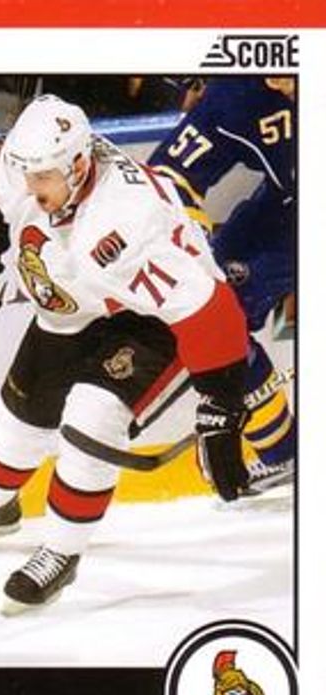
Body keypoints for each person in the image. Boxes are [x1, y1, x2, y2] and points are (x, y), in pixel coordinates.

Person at [0, 94, 249, 612]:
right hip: (77, 301)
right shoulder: (23, 166)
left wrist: (222, 408)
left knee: (93, 416)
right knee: (23, 411)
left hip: (150, 320)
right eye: (26, 175)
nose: (30, 187)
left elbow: (211, 311)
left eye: (42, 178)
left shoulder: (127, 224)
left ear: (77, 166)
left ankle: (61, 550)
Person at [148, 77, 296, 490]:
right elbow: (169, 178)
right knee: (219, 312)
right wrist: (189, 246)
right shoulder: (239, 94)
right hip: (289, 208)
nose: (277, 77)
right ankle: (282, 450)